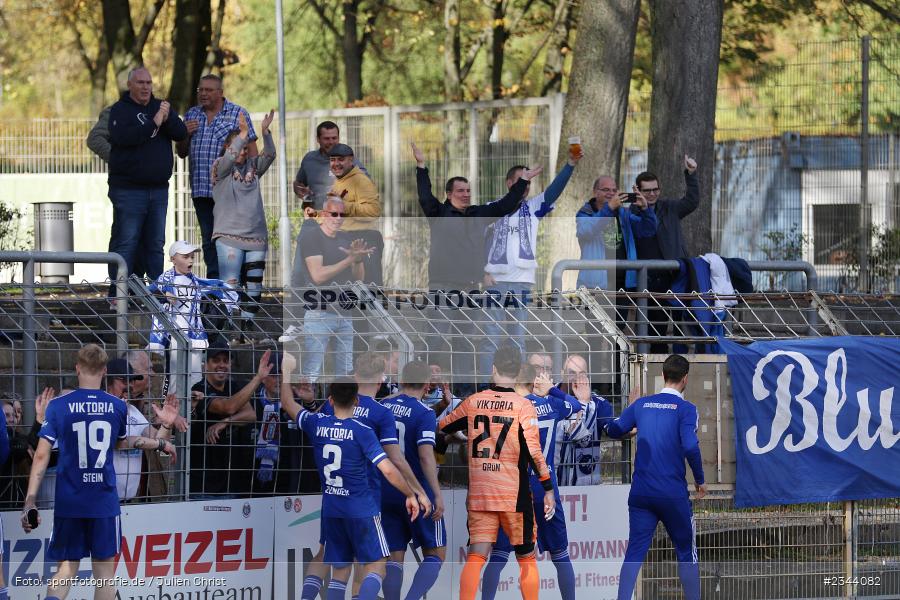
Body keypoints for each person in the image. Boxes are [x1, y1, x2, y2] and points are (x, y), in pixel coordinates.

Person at [20, 343, 176, 600]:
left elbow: (40, 453)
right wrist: (161, 440)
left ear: (77, 368)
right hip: (103, 500)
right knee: (104, 574)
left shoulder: (58, 406)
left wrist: (30, 499)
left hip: (70, 500)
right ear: (104, 371)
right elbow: (121, 442)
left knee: (66, 568)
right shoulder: (117, 406)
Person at [278, 369, 421, 600]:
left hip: (333, 508)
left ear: (330, 399)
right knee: (377, 565)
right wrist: (410, 493)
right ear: (356, 400)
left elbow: (286, 402)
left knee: (340, 568)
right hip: (362, 508)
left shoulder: (317, 423)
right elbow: (388, 469)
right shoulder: (362, 431)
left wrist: (286, 370)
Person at [412, 142, 539, 396]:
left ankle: (462, 392)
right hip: (442, 287)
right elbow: (425, 195)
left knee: (464, 343)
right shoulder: (438, 212)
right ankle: (421, 387)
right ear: (449, 194)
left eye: (468, 190)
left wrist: (523, 182)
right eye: (460, 190)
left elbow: (505, 205)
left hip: (470, 289)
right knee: (436, 338)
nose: (466, 194)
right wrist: (421, 167)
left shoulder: (478, 213)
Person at [439, 344, 555, 600]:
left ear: (493, 369)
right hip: (514, 494)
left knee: (477, 555)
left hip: (481, 492)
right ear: (517, 373)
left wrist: (462, 438)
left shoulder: (474, 401)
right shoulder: (523, 406)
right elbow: (535, 452)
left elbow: (443, 426)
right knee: (526, 556)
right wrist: (547, 488)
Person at [603, 354, 706, 600]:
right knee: (685, 552)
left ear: (662, 375)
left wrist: (627, 414)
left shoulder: (642, 405)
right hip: (672, 494)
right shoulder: (686, 409)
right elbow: (691, 447)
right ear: (685, 379)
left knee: (634, 552)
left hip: (641, 493)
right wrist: (700, 480)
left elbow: (615, 428)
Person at [480, 362, 584, 600]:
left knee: (500, 554)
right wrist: (551, 390)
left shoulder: (506, 406)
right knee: (560, 553)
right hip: (545, 485)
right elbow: (576, 405)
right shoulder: (551, 404)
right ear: (534, 382)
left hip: (512, 487)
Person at [480, 145, 583, 379]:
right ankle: (487, 384)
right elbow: (476, 246)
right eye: (521, 181)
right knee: (490, 338)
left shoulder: (534, 206)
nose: (526, 187)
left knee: (518, 339)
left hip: (522, 284)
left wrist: (570, 165)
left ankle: (518, 386)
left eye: (528, 183)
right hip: (495, 282)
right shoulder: (491, 208)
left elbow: (553, 191)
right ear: (509, 183)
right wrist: (481, 272)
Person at [107, 67, 187, 294]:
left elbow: (180, 133)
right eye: (140, 83)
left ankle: (155, 294)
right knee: (126, 242)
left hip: (158, 190)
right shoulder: (120, 111)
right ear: (130, 85)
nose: (145, 87)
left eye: (149, 83)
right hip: (128, 190)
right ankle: (119, 294)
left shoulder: (160, 106)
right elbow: (126, 138)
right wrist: (154, 122)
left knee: (154, 245)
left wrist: (167, 117)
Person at [378, 360, 447, 600]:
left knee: (394, 556)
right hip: (417, 491)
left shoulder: (383, 406)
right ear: (427, 385)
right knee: (436, 553)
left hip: (387, 489)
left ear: (400, 380)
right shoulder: (424, 413)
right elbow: (426, 456)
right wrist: (436, 494)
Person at [177, 74, 257, 278]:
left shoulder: (238, 113)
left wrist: (249, 182)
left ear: (220, 93)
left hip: (231, 192)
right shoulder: (192, 114)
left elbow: (253, 152)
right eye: (200, 90)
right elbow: (181, 152)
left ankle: (235, 287)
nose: (203, 94)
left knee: (232, 240)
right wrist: (184, 133)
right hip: (202, 189)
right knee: (209, 241)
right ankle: (215, 288)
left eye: (208, 90)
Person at [212, 110, 276, 325]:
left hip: (256, 237)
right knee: (230, 284)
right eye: (239, 147)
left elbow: (270, 155)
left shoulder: (254, 168)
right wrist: (244, 133)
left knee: (255, 285)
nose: (242, 152)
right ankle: (227, 329)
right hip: (229, 236)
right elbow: (230, 158)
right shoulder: (220, 168)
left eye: (246, 149)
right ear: (227, 148)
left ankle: (246, 327)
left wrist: (265, 133)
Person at [299, 197, 374, 383]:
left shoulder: (346, 238)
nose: (338, 218)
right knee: (312, 370)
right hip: (319, 312)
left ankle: (343, 410)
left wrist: (357, 259)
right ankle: (307, 409)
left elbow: (359, 278)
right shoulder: (312, 237)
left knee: (346, 372)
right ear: (324, 214)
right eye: (334, 214)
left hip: (344, 313)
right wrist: (349, 260)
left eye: (342, 214)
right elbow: (318, 275)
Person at [147, 241, 238, 392]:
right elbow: (147, 293)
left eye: (192, 257)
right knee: (174, 376)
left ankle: (192, 410)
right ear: (173, 259)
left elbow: (210, 284)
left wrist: (224, 285)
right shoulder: (165, 279)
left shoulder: (194, 281)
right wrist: (164, 294)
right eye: (185, 257)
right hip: (174, 335)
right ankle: (172, 408)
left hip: (195, 334)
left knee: (196, 376)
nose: (190, 260)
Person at [634, 156, 699, 353]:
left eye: (655, 190)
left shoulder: (670, 207)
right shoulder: (632, 213)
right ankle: (656, 372)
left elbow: (691, 202)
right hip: (651, 279)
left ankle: (681, 367)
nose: (652, 194)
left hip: (676, 275)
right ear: (637, 190)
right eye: (647, 190)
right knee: (656, 330)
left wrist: (691, 174)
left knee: (681, 326)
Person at [189, 344, 273, 497]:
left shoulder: (232, 386)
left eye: (226, 361)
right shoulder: (199, 390)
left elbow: (250, 414)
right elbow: (228, 407)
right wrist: (258, 378)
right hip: (205, 484)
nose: (222, 365)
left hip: (231, 482)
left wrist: (225, 422)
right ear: (205, 365)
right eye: (216, 360)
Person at [576, 176, 657, 332]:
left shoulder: (623, 214)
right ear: (595, 192)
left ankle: (617, 358)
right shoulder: (585, 213)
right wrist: (609, 209)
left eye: (614, 190)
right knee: (595, 334)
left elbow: (648, 230)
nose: (611, 193)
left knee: (618, 332)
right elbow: (587, 231)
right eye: (606, 190)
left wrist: (645, 210)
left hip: (621, 285)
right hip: (595, 286)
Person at [106, 358, 185, 502]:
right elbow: (120, 442)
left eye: (132, 381)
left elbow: (159, 440)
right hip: (104, 499)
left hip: (128, 501)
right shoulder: (101, 409)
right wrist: (160, 444)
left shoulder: (132, 411)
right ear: (108, 381)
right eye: (124, 381)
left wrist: (166, 424)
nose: (129, 386)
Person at [328, 142, 384, 285]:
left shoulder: (361, 181)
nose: (336, 163)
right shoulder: (338, 181)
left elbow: (374, 211)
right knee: (348, 292)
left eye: (341, 159)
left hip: (365, 241)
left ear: (351, 160)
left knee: (369, 291)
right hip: (344, 240)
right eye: (333, 159)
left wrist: (344, 206)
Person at [554, 354, 614, 487]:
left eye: (582, 373)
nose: (576, 378)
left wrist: (630, 424)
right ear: (562, 374)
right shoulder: (547, 397)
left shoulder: (598, 403)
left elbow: (613, 429)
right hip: (552, 483)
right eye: (571, 373)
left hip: (586, 485)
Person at [294, 120, 368, 209]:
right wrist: (300, 191)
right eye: (326, 138)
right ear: (318, 139)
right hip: (315, 216)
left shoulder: (348, 160)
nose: (331, 142)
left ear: (338, 138)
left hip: (341, 218)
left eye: (334, 138)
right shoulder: (309, 159)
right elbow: (298, 183)